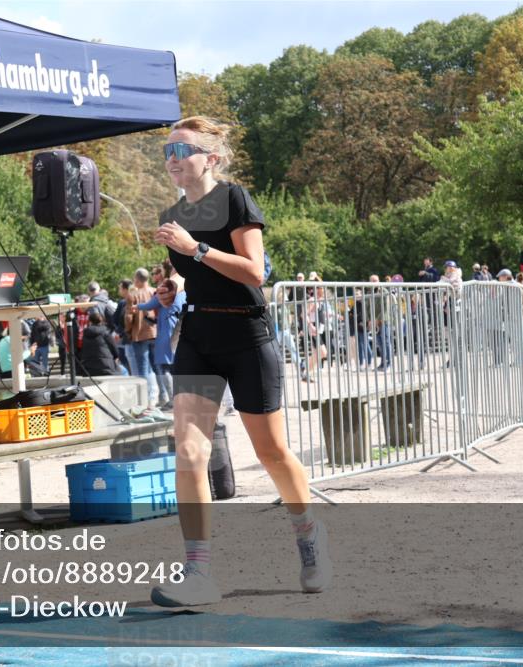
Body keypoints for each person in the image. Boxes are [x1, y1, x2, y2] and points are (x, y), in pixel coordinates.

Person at [148, 116, 330, 608]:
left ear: (211, 158)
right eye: (167, 149)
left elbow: (253, 272)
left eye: (182, 148)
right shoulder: (172, 212)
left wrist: (196, 249)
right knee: (188, 451)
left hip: (246, 334)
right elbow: (195, 275)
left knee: (270, 453)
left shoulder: (235, 199)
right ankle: (199, 573)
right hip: (199, 335)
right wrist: (175, 287)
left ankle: (309, 537)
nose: (172, 157)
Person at [137, 278, 187, 410]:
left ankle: (173, 400)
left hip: (165, 333)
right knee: (176, 368)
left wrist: (136, 306)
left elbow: (149, 305)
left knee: (164, 368)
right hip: (178, 331)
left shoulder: (165, 292)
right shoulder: (184, 294)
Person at [125, 268, 160, 409]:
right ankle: (163, 396)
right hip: (155, 333)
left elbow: (128, 317)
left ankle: (145, 401)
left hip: (139, 335)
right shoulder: (155, 292)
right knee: (159, 368)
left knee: (143, 369)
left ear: (138, 280)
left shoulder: (132, 295)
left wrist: (127, 331)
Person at [79, 310, 121, 376]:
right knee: (124, 371)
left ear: (90, 322)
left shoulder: (85, 333)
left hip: (89, 368)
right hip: (106, 367)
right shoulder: (105, 332)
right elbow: (114, 348)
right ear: (102, 321)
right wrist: (116, 357)